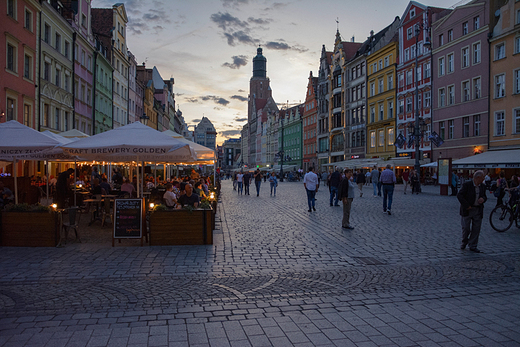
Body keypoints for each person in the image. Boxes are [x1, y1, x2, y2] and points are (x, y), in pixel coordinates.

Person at [457, 170, 487, 253]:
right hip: (467, 210)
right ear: (477, 178)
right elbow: (460, 195)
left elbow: (484, 196)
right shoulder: (467, 185)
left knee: (476, 228)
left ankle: (473, 245)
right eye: (482, 177)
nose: (483, 179)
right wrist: (467, 205)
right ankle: (464, 241)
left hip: (477, 209)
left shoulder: (482, 186)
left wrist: (483, 199)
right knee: (466, 228)